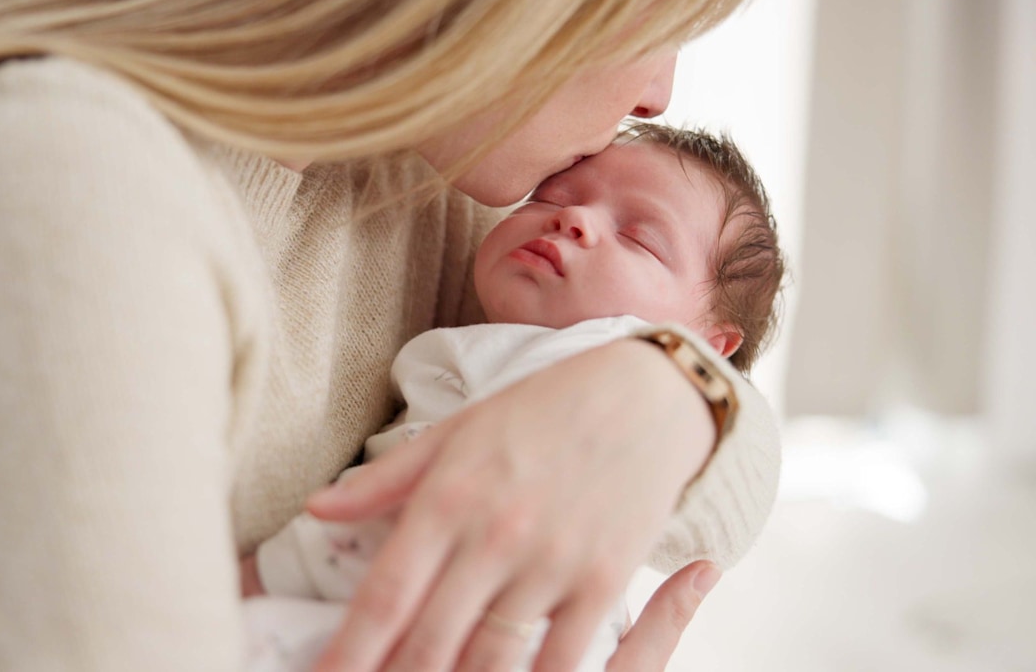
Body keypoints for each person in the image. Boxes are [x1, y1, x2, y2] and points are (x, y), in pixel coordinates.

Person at [0, 0, 781, 671]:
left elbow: (736, 482)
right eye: (659, 19)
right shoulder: (52, 189)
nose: (659, 93)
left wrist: (668, 385)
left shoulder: (426, 178)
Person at [237, 123, 785, 671]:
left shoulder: (604, 351)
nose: (573, 218)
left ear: (709, 346)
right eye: (548, 198)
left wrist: (264, 575)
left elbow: (410, 510)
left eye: (639, 239)